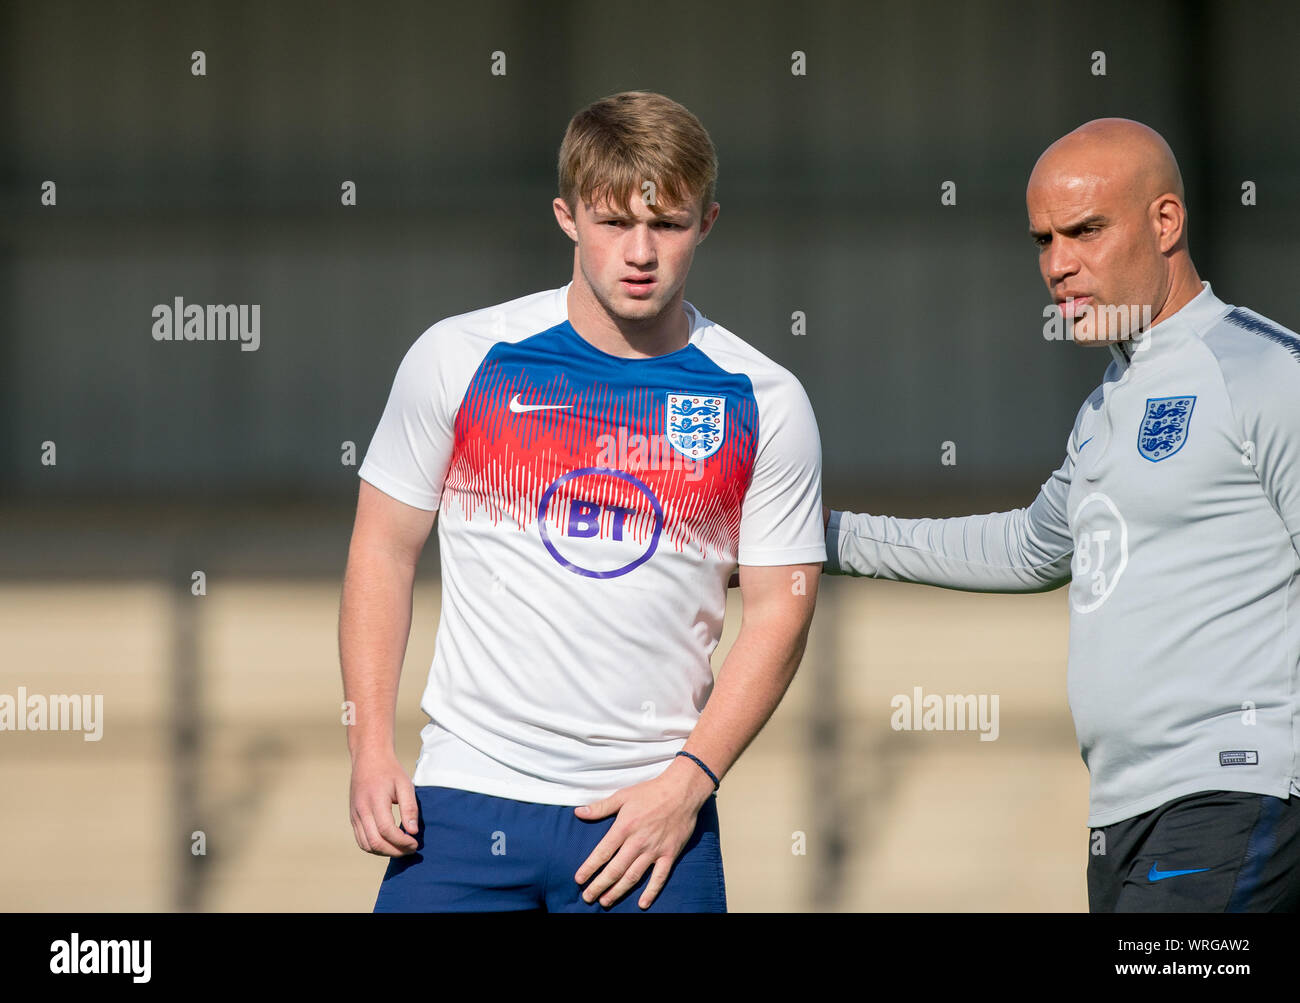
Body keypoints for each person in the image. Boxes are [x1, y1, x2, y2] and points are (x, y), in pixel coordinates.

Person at [340, 90, 825, 912]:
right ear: (566, 216)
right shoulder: (461, 357)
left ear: (706, 223)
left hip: (649, 822)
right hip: (462, 799)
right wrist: (370, 748)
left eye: (667, 224)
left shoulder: (764, 399)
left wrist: (688, 784)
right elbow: (382, 549)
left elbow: (782, 609)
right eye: (612, 222)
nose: (640, 252)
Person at [825, 118, 1300, 912]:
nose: (1058, 265)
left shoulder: (1263, 372)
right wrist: (820, 537)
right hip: (1122, 815)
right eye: (1043, 240)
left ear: (1166, 222)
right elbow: (1028, 547)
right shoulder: (1106, 402)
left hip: (1233, 792)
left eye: (1085, 231)